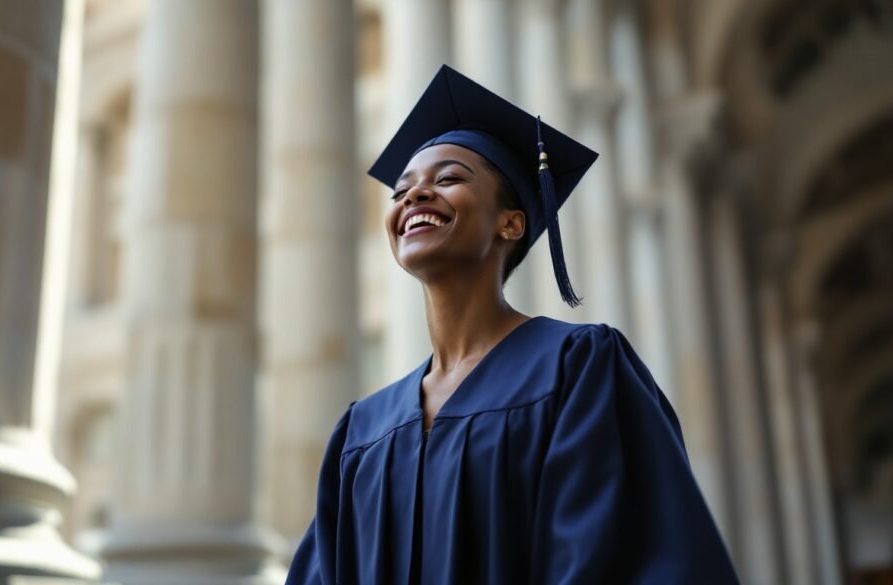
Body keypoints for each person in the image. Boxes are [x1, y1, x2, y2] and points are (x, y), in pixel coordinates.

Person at [284, 65, 740, 585]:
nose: (414, 195)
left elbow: (635, 560)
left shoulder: (577, 369)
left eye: (449, 178)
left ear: (512, 222)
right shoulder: (363, 431)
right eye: (402, 190)